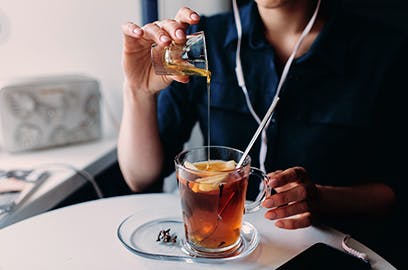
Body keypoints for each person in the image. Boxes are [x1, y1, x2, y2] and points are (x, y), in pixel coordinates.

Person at [118, 0, 407, 267]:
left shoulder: (384, 51)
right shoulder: (199, 42)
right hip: (224, 254)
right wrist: (138, 90)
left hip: (333, 254)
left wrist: (321, 199)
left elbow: (395, 190)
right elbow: (140, 176)